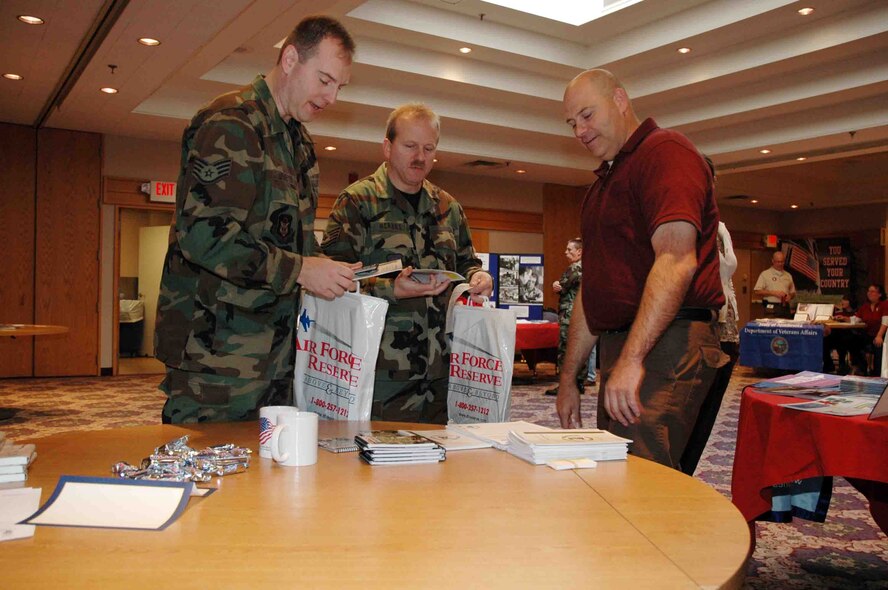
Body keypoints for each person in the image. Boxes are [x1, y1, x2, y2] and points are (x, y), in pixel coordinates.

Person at [154, 16, 359, 424]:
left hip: (275, 353)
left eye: (339, 86)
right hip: (215, 355)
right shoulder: (231, 123)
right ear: (289, 59)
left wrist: (339, 272)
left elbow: (294, 245)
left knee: (267, 479)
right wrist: (302, 270)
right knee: (208, 476)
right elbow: (203, 237)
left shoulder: (298, 144)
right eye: (324, 79)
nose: (331, 96)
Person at [556, 68, 726, 470]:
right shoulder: (602, 186)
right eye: (571, 123)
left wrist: (632, 360)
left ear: (619, 99)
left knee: (641, 477)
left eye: (587, 115)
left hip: (670, 339)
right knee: (616, 471)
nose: (579, 130)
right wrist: (568, 381)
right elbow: (591, 291)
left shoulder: (666, 152)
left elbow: (676, 259)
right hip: (628, 343)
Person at [321, 103, 493, 423]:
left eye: (429, 149)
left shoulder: (448, 207)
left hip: (439, 370)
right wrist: (390, 289)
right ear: (388, 147)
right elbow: (332, 281)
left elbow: (467, 261)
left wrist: (479, 275)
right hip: (380, 372)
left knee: (437, 467)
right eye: (410, 146)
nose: (420, 157)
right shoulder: (357, 202)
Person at [680, 206, 739, 474]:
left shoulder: (720, 229)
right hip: (697, 333)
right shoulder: (685, 233)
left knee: (705, 415)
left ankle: (685, 472)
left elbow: (729, 270)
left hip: (726, 334)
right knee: (684, 414)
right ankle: (676, 472)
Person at [545, 238, 595, 396]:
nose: (566, 252)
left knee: (566, 350)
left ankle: (566, 385)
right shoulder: (590, 267)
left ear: (579, 251)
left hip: (569, 316)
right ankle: (579, 383)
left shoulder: (574, 268)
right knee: (581, 349)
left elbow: (561, 286)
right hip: (583, 314)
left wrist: (556, 285)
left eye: (569, 250)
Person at [847, 284, 888, 375]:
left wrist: (879, 336)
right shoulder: (865, 306)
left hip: (882, 335)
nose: (869, 293)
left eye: (872, 291)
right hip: (868, 334)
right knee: (852, 341)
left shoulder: (885, 304)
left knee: (878, 346)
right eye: (868, 291)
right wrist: (843, 318)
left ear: (880, 294)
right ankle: (861, 369)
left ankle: (877, 374)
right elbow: (856, 319)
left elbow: (885, 322)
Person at [753, 252, 796, 318]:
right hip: (771, 307)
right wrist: (773, 293)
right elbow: (757, 291)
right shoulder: (765, 274)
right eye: (778, 262)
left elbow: (793, 292)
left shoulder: (788, 275)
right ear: (773, 261)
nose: (780, 264)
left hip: (785, 307)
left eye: (782, 262)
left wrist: (790, 296)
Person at [822, 295, 855, 374]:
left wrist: (845, 319)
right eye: (842, 300)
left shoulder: (855, 313)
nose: (843, 302)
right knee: (824, 341)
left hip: (849, 335)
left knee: (843, 341)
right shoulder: (839, 312)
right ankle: (829, 365)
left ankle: (842, 365)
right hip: (836, 335)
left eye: (845, 300)